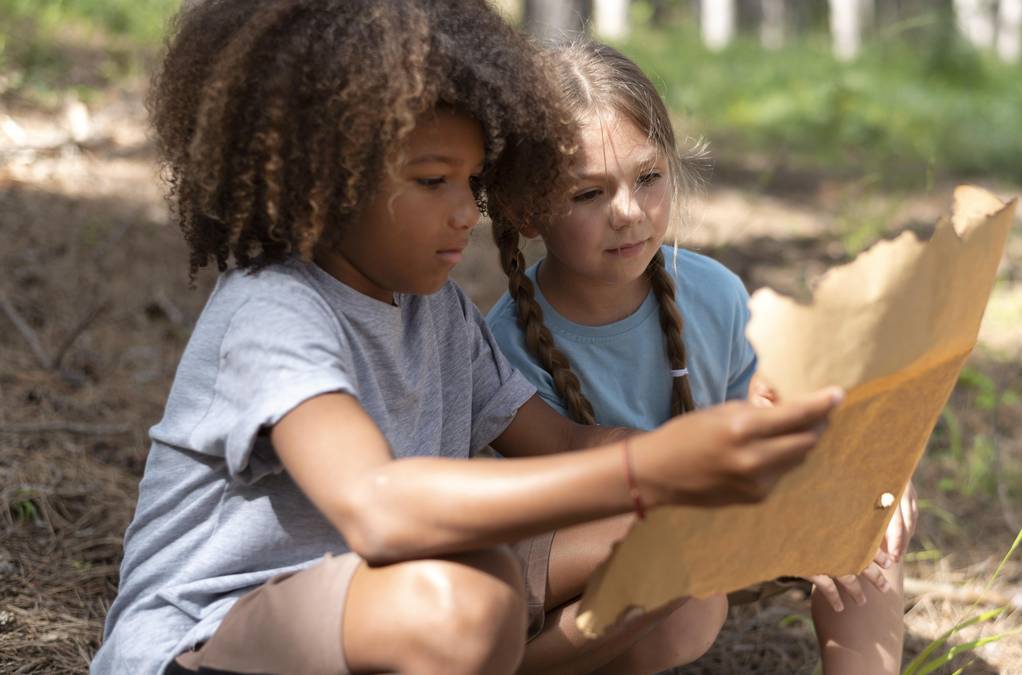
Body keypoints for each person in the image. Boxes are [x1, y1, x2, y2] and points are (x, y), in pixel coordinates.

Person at [91, 3, 843, 674]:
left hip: (393, 597)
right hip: (212, 633)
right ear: (323, 178)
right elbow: (378, 507)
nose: (465, 212)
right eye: (431, 181)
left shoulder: (438, 312)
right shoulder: (274, 312)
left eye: (472, 182)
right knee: (463, 601)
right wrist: (652, 467)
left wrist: (723, 459)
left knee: (672, 539)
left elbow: (566, 447)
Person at [486, 40, 916, 674]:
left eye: (648, 177)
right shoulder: (508, 350)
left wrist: (862, 465)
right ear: (526, 211)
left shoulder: (711, 292)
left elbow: (770, 414)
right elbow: (580, 520)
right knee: (683, 602)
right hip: (615, 580)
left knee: (872, 506)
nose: (629, 213)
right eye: (588, 195)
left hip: (725, 537)